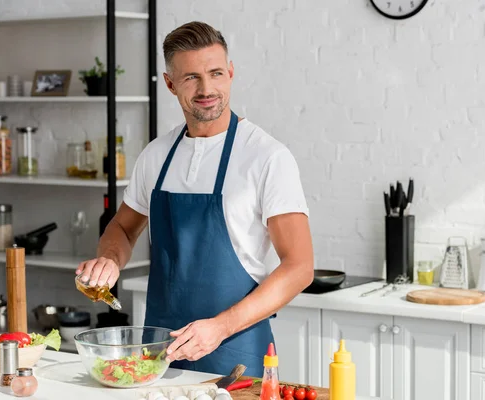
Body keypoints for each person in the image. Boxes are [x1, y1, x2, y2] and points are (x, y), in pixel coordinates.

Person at [75, 21, 314, 377]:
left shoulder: (267, 158)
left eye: (216, 73)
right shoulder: (156, 155)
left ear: (230, 73)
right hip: (158, 353)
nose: (206, 89)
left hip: (235, 354)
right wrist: (109, 260)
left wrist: (219, 327)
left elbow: (299, 267)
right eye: (190, 78)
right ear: (170, 83)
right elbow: (123, 228)